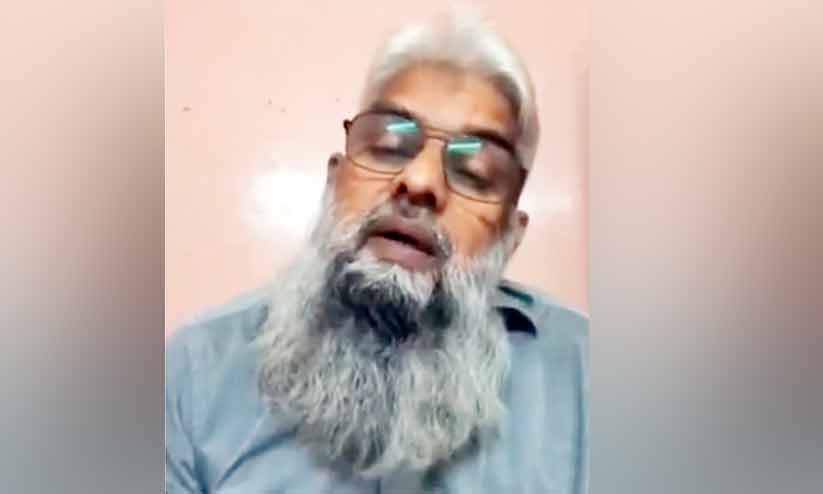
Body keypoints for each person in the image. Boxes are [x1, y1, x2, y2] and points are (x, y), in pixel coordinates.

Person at [165, 11, 588, 494]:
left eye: (473, 171)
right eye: (389, 145)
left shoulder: (590, 383)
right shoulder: (197, 376)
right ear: (334, 182)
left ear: (509, 237)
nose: (420, 181)